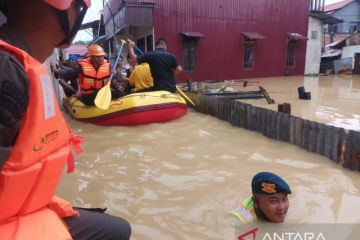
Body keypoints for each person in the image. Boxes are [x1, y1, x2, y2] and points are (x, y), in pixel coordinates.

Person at [0, 0, 131, 239]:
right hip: (86, 98)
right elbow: (67, 73)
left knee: (117, 228)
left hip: (15, 208)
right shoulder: (7, 73)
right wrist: (62, 76)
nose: (100, 61)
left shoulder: (20, 65)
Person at [56, 43, 124, 105]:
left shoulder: (107, 67)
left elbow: (117, 75)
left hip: (102, 94)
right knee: (98, 93)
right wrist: (58, 72)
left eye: (102, 56)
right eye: (98, 56)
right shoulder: (82, 68)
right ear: (91, 58)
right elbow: (69, 72)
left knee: (120, 94)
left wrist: (118, 85)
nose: (101, 58)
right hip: (88, 96)